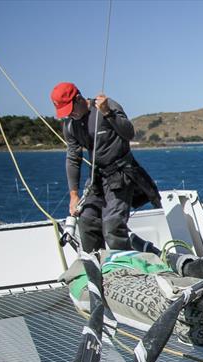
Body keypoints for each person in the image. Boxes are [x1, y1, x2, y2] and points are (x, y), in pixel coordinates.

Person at [51, 82, 161, 252]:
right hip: (96, 179)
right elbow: (73, 158)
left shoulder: (106, 107)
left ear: (79, 98)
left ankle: (127, 269)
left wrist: (108, 113)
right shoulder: (70, 125)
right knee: (87, 222)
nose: (70, 115)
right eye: (65, 113)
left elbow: (129, 133)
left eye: (71, 109)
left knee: (112, 226)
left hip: (121, 175)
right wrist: (74, 195)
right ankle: (97, 265)